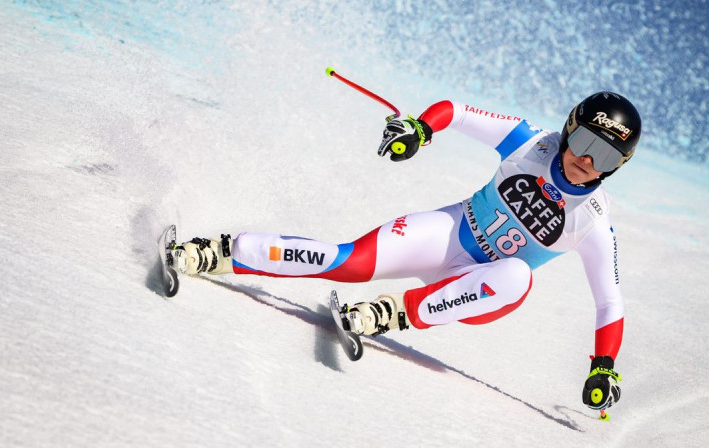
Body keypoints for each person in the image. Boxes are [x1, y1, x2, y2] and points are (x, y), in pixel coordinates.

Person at [169, 91, 640, 412]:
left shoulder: (593, 220)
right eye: (582, 143)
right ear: (568, 129)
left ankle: (385, 315)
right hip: (450, 235)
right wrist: (418, 129)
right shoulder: (532, 141)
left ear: (621, 167)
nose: (585, 161)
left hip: (481, 288)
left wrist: (604, 368)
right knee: (347, 262)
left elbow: (609, 301)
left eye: (606, 158)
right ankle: (218, 251)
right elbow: (454, 110)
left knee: (518, 275)